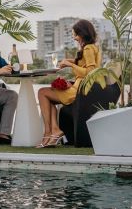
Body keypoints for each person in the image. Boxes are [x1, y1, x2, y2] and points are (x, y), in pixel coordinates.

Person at [36, 19, 102, 148]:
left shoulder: (88, 48)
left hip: (79, 91)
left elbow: (90, 71)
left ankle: (48, 132)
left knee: (42, 92)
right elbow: (85, 63)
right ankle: (55, 131)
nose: (75, 38)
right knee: (48, 96)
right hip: (82, 88)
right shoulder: (94, 47)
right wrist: (69, 61)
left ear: (82, 34)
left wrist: (70, 64)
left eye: (76, 35)